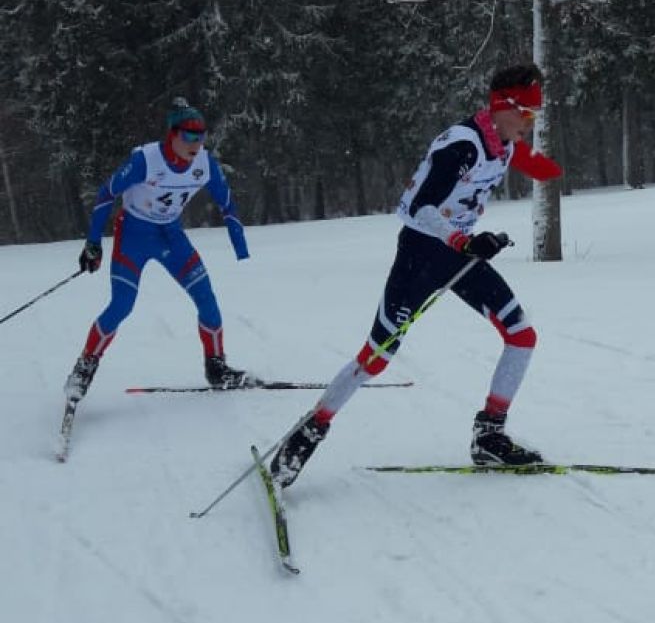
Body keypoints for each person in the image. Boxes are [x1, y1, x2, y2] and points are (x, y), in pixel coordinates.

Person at [270, 61, 562, 486]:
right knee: (377, 356)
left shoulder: (504, 142)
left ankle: (489, 435)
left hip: (458, 256)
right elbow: (422, 207)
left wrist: (553, 174)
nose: (531, 125)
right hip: (421, 253)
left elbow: (540, 167)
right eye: (527, 115)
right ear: (504, 107)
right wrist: (464, 241)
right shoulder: (462, 145)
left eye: (536, 116)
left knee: (522, 335)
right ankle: (309, 430)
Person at [63, 102, 251, 403]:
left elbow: (227, 203)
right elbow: (106, 193)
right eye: (189, 136)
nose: (196, 143)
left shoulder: (204, 163)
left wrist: (239, 244)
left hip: (170, 236)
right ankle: (84, 368)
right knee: (122, 305)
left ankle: (216, 368)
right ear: (172, 135)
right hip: (133, 235)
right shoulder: (145, 160)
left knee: (206, 297)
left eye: (201, 136)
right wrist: (93, 243)